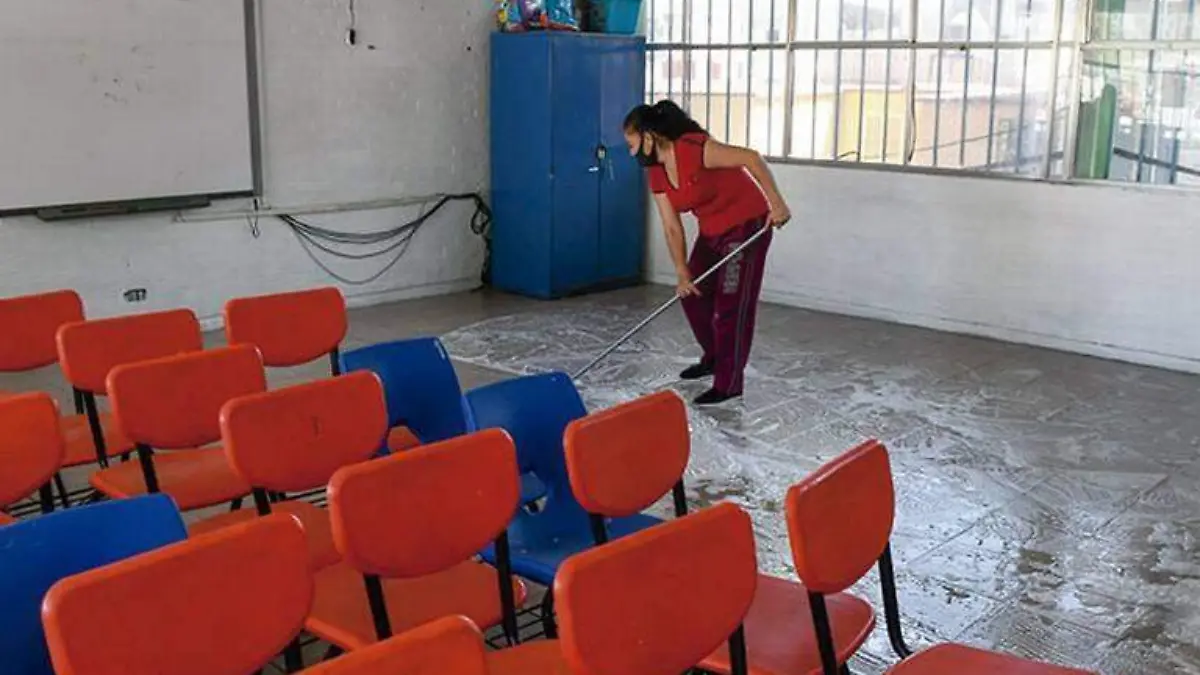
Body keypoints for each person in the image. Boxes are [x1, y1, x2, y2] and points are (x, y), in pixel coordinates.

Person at [623, 100, 791, 406]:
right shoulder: (656, 172)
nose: (631, 153)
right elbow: (671, 226)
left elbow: (751, 158)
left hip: (745, 227)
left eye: (632, 144)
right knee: (692, 293)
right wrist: (681, 272)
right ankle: (715, 357)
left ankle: (729, 384)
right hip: (712, 232)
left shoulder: (694, 149)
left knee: (731, 307)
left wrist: (777, 203)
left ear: (649, 137)